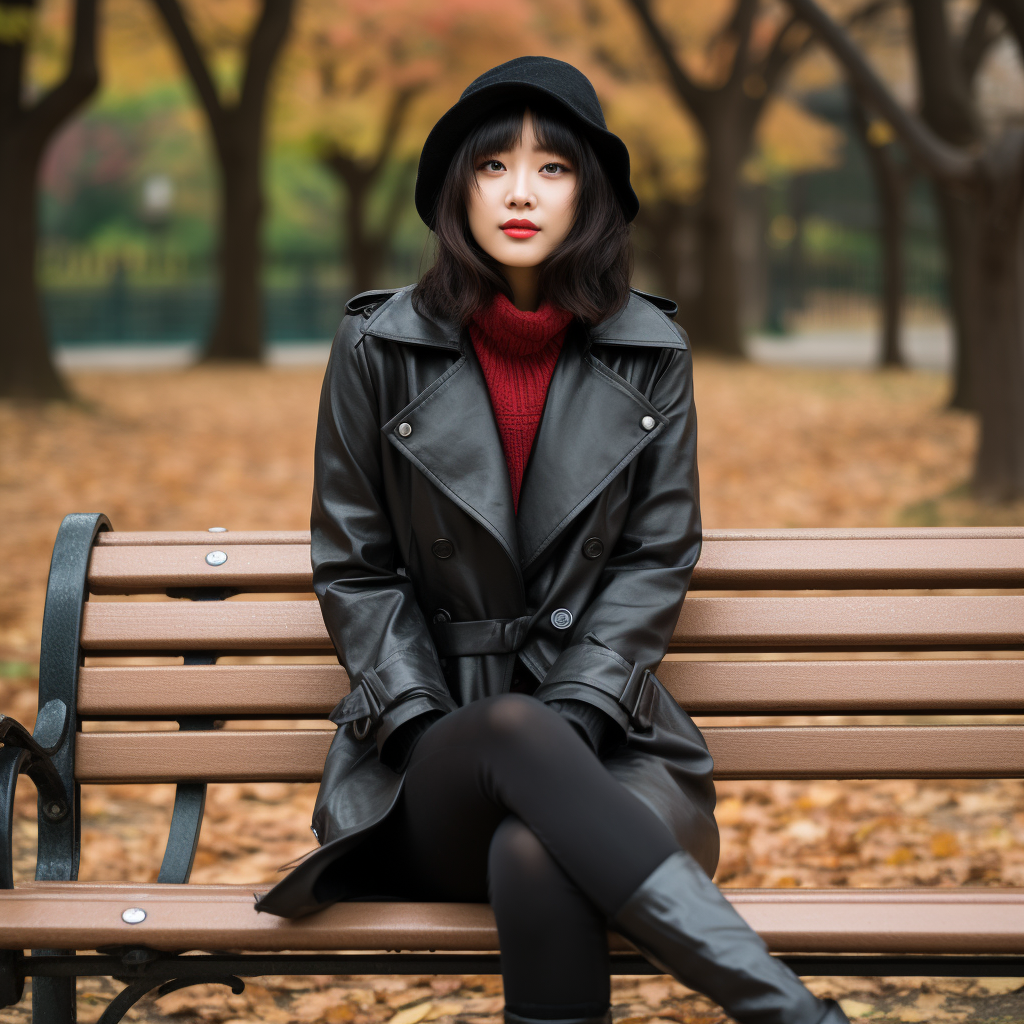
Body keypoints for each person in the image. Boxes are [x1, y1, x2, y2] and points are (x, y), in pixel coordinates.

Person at [256, 56, 849, 1024]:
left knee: (537, 841)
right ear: (455, 187)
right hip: (428, 756)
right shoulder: (376, 346)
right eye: (492, 167)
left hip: (613, 749)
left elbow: (656, 555)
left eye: (553, 168)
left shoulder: (650, 351)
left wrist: (571, 718)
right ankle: (792, 1015)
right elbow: (354, 566)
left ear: (594, 193)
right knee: (506, 730)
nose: (521, 191)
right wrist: (421, 719)